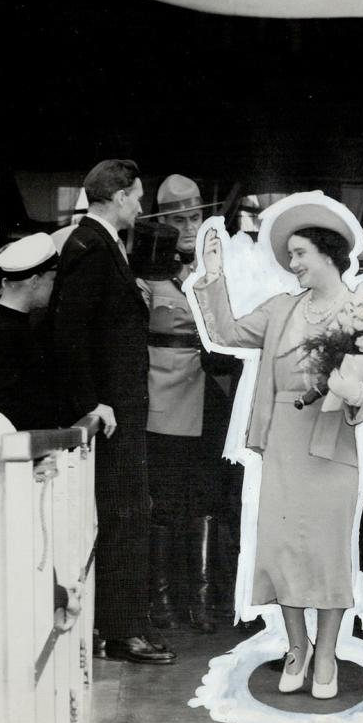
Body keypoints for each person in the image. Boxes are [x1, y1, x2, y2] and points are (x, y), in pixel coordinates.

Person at [192, 198, 363, 700]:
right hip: (285, 435)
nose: (294, 263)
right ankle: (296, 647)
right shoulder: (281, 307)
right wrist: (213, 275)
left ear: (328, 253)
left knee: (328, 549)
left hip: (334, 438)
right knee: (283, 548)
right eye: (289, 254)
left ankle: (327, 652)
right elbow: (224, 333)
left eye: (301, 252)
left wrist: (357, 392)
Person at [52, 159, 175, 665]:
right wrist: (91, 403)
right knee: (125, 517)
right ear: (119, 196)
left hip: (118, 410)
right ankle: (124, 632)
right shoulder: (92, 248)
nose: (142, 206)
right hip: (111, 414)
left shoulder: (101, 246)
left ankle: (119, 627)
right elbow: (69, 333)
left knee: (127, 515)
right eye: (138, 196)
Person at [142, 174, 238, 635]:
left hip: (213, 400)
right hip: (164, 405)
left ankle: (198, 599)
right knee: (165, 505)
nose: (186, 226)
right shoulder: (144, 271)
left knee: (206, 501)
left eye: (193, 216)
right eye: (176, 218)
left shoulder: (222, 268)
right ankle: (162, 601)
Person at [0, 232, 61, 430]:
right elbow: (2, 404)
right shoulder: (7, 332)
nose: (54, 287)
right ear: (35, 281)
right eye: (52, 279)